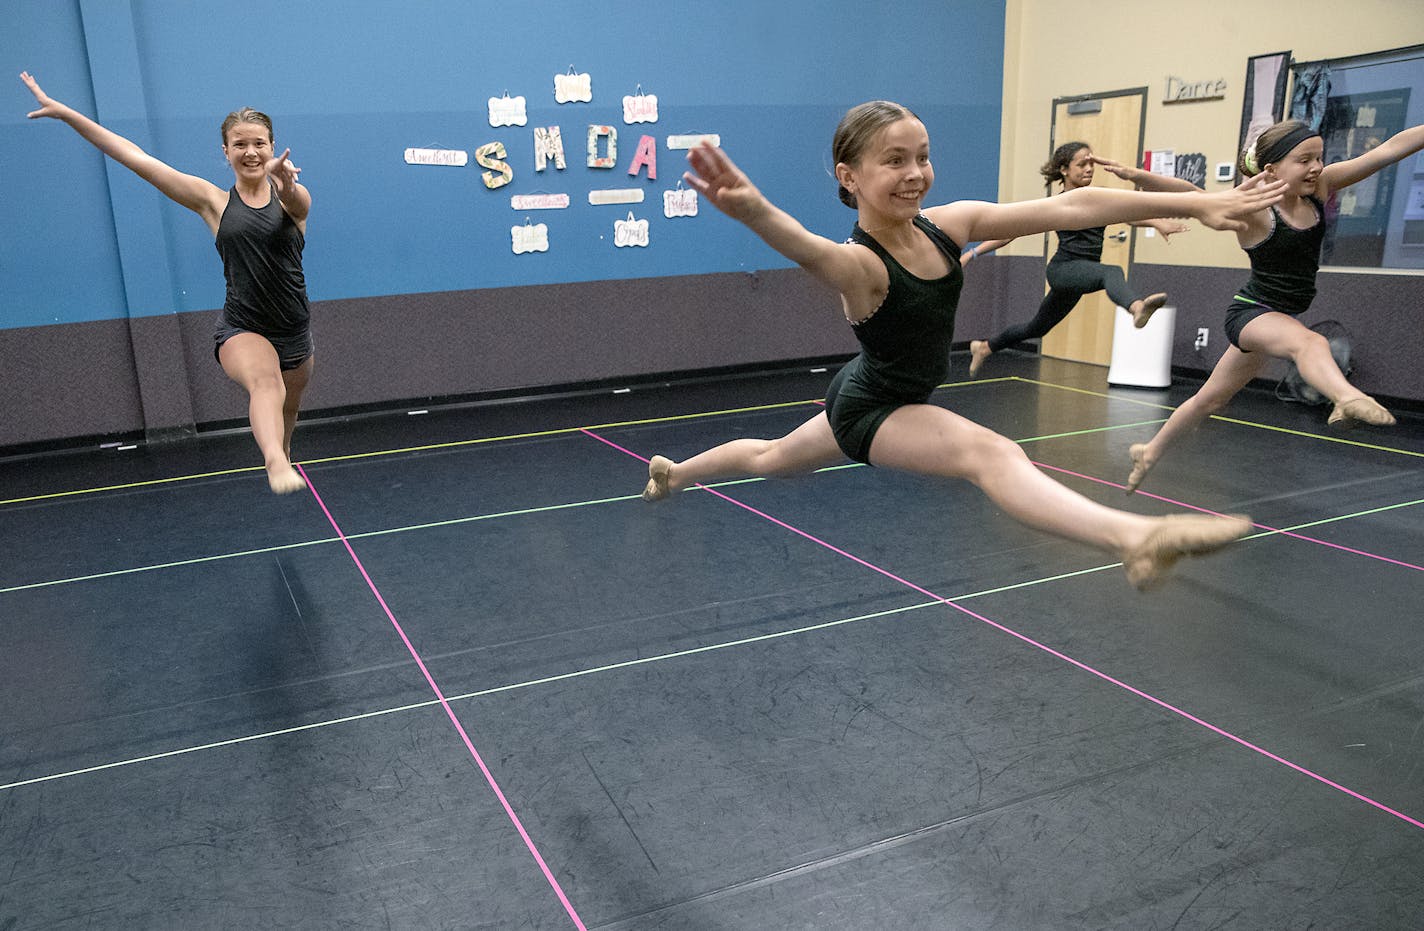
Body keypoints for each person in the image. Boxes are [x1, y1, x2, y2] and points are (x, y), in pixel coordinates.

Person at [641, 101, 1287, 589]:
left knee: (770, 456)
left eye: (922, 155)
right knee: (991, 452)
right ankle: (1135, 537)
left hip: (858, 386)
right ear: (850, 175)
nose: (916, 172)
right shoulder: (861, 267)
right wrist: (755, 211)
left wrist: (1204, 204)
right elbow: (804, 247)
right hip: (877, 407)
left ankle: (675, 471)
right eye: (894, 161)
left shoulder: (950, 226)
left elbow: (1072, 207)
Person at [21, 71, 314, 494]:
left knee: (289, 406)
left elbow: (297, 201)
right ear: (226, 151)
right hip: (243, 327)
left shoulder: (294, 199)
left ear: (272, 146)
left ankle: (281, 453)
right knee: (266, 383)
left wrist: (287, 184)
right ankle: (273, 462)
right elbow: (137, 158)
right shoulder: (212, 201)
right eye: (240, 144)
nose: (250, 152)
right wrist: (68, 114)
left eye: (259, 143)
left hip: (295, 330)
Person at [1119, 118, 1421, 495]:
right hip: (1252, 312)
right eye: (1304, 159)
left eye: (1320, 158)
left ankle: (1148, 452)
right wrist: (1139, 176)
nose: (1316, 167)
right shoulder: (1255, 209)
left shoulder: (1320, 188)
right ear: (1271, 169)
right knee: (1310, 344)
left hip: (1279, 315)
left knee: (1209, 400)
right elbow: (1191, 193)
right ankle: (1346, 398)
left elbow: (1386, 150)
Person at [963, 142, 1189, 377]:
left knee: (1037, 327)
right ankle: (1137, 308)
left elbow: (1129, 215)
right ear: (1064, 170)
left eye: (1091, 164)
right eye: (1081, 165)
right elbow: (1010, 233)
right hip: (1063, 270)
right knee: (1110, 272)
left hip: (1080, 272)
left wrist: (1157, 222)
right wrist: (972, 253)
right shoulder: (1055, 204)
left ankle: (984, 347)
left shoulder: (1099, 198)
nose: (1089, 169)